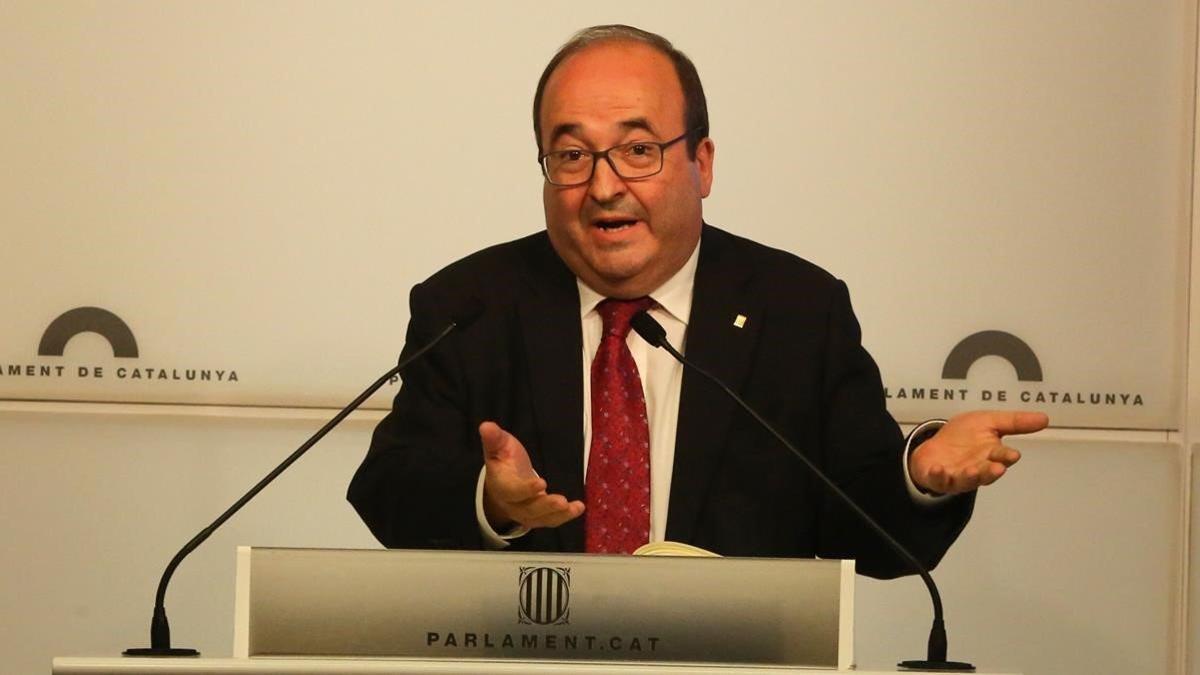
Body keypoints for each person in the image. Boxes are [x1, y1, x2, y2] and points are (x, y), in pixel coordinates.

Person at [348, 25, 1048, 578]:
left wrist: (918, 474)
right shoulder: (470, 306)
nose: (603, 186)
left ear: (701, 164)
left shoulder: (798, 311)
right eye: (571, 156)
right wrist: (490, 503)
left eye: (638, 150)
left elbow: (865, 526)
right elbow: (391, 487)